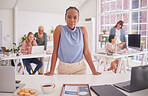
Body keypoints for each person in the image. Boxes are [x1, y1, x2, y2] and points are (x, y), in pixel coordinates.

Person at [45, 6, 101, 75]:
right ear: (65, 18)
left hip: (80, 68)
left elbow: (86, 52)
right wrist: (51, 71)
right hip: (63, 69)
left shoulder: (82, 30)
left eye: (75, 17)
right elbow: (55, 51)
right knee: (62, 86)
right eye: (69, 17)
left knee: (81, 86)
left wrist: (94, 71)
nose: (72, 20)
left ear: (78, 19)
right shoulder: (59, 29)